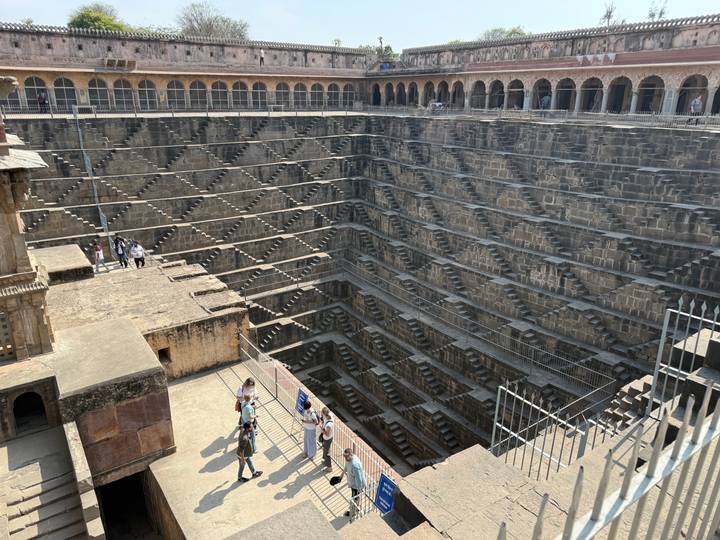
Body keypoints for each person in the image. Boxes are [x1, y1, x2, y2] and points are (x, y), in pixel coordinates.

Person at [338, 448, 366, 518]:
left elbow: (359, 479)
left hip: (356, 486)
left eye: (347, 456)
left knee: (354, 498)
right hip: (353, 484)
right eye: (344, 456)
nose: (345, 458)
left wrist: (359, 489)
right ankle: (356, 508)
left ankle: (352, 513)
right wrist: (342, 474)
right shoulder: (349, 459)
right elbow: (347, 466)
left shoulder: (355, 465)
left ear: (351, 454)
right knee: (355, 498)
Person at [320, 407, 334, 471]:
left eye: (322, 414)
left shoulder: (329, 425)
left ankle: (329, 467)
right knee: (325, 450)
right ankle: (325, 460)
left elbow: (327, 434)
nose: (321, 415)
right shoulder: (329, 415)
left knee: (326, 453)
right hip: (327, 438)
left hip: (327, 439)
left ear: (324, 414)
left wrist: (322, 430)